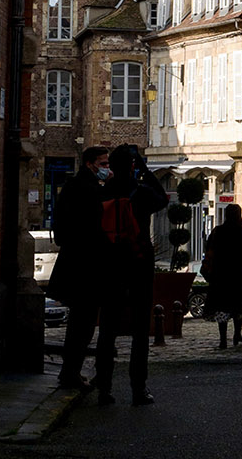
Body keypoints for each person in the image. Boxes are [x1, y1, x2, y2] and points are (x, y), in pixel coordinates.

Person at [93, 143, 168, 406]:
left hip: (111, 265)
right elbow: (163, 197)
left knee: (108, 329)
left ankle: (104, 388)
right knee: (139, 331)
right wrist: (145, 169)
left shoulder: (104, 193)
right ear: (133, 166)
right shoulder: (143, 192)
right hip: (139, 264)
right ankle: (138, 388)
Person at [49, 145, 113, 389]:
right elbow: (95, 227)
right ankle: (70, 373)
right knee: (82, 324)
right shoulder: (89, 190)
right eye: (103, 163)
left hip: (76, 261)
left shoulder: (75, 186)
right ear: (90, 164)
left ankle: (70, 371)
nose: (107, 168)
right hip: (85, 265)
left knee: (81, 322)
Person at [201, 203, 242, 348]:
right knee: (237, 307)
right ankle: (237, 334)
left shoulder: (218, 231)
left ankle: (223, 340)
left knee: (222, 308)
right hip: (238, 277)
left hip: (220, 276)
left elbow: (209, 250)